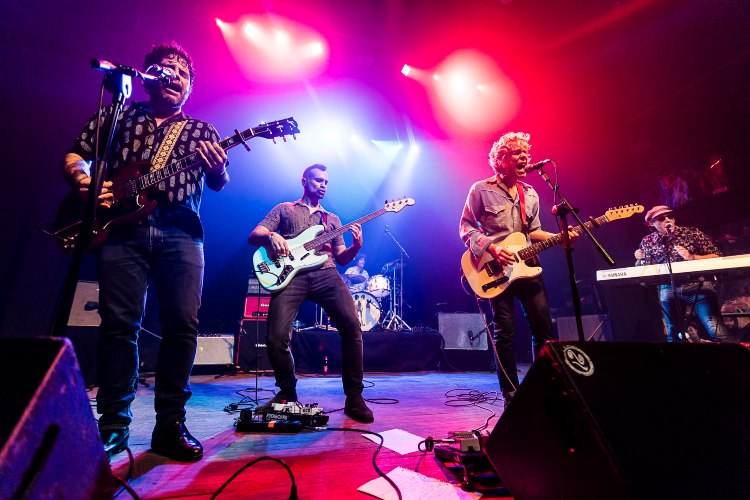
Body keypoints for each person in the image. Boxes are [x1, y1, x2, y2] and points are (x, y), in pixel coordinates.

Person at [62, 42, 229, 461]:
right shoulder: (119, 114)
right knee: (119, 327)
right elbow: (77, 155)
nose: (174, 76)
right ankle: (113, 428)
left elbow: (219, 182)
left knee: (182, 327)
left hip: (181, 232)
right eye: (165, 68)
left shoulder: (202, 130)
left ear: (190, 87)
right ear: (148, 75)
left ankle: (170, 425)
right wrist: (82, 181)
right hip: (122, 232)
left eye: (183, 73)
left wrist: (218, 168)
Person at [247, 164, 374, 423]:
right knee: (275, 337)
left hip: (326, 274)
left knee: (352, 326)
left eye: (326, 181)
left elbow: (341, 258)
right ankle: (286, 394)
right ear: (304, 181)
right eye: (318, 180)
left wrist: (356, 247)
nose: (323, 185)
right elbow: (255, 235)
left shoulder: (332, 220)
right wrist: (271, 236)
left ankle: (354, 397)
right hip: (290, 275)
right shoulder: (285, 209)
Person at [459, 131, 569, 407]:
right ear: (501, 159)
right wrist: (493, 249)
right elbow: (466, 227)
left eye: (526, 153)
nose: (525, 157)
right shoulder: (480, 189)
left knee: (544, 329)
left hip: (529, 267)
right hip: (496, 270)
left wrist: (562, 236)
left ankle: (540, 388)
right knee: (505, 332)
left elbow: (534, 232)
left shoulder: (529, 193)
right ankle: (511, 395)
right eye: (518, 153)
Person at [634, 205, 731, 343]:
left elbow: (717, 256)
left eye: (670, 216)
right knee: (673, 334)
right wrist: (639, 259)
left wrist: (692, 257)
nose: (668, 220)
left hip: (698, 285)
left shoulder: (692, 233)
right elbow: (644, 267)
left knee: (715, 329)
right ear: (651, 223)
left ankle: (737, 353)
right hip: (668, 288)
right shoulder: (648, 241)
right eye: (661, 218)